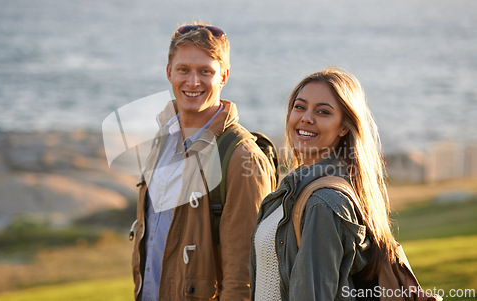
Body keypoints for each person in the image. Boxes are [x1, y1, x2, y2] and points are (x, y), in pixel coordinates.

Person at [131, 22, 276, 301]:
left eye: (205, 71)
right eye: (184, 69)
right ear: (168, 72)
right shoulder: (163, 139)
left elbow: (243, 278)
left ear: (224, 76)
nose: (193, 82)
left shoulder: (241, 158)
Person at [249, 67, 397, 300]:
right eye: (300, 106)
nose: (306, 117)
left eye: (323, 112)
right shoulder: (295, 188)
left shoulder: (323, 203)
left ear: (344, 127)